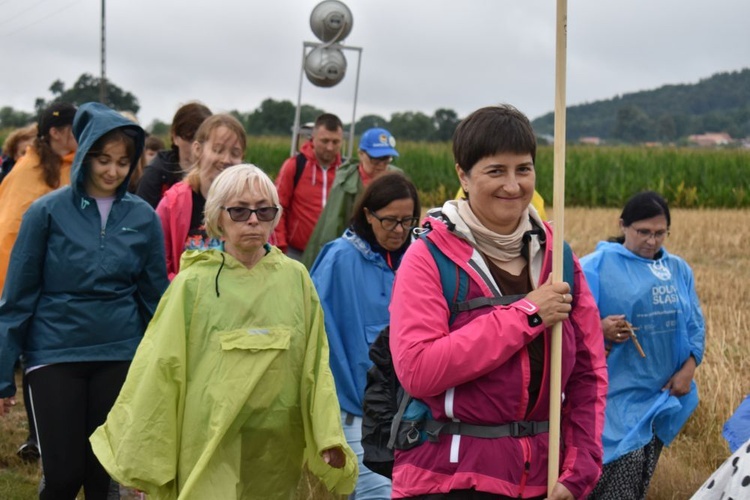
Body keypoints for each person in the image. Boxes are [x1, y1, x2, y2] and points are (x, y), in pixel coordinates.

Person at [90, 164, 358, 499]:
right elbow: (161, 367)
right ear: (218, 217)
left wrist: (326, 434)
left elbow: (315, 365)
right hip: (208, 440)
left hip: (276, 446)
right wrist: (143, 455)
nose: (253, 220)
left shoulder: (296, 279)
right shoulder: (193, 284)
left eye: (264, 210)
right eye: (239, 210)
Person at [387, 105, 608, 499]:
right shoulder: (428, 257)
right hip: (451, 480)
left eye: (523, 169)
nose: (513, 185)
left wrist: (579, 470)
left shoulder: (559, 258)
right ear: (463, 176)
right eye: (496, 171)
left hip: (545, 478)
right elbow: (418, 369)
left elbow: (588, 374)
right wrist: (527, 314)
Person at [0, 102, 169, 499]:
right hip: (55, 352)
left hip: (118, 352)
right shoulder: (46, 212)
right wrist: (3, 375)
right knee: (63, 475)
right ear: (85, 154)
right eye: (103, 159)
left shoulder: (144, 218)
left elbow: (154, 299)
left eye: (123, 162)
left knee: (103, 478)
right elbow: (17, 297)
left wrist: (170, 363)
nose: (113, 171)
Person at [581, 191, 705, 500]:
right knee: (617, 462)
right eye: (643, 232)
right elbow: (568, 323)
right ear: (623, 225)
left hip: (662, 395)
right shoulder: (596, 265)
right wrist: (600, 328)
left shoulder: (678, 270)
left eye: (660, 233)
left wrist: (689, 367)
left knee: (642, 466)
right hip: (614, 394)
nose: (652, 241)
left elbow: (695, 326)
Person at [311, 172, 421, 499]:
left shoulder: (419, 261)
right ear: (368, 216)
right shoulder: (338, 259)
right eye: (390, 221)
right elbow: (319, 340)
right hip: (355, 412)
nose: (399, 230)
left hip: (410, 413)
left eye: (408, 221)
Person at [155, 114, 246, 279]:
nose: (226, 160)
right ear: (198, 150)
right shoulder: (172, 204)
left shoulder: (250, 207)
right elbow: (157, 266)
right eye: (218, 150)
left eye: (235, 153)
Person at [0, 102, 77, 292]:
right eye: (75, 127)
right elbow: (10, 230)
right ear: (55, 133)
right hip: (30, 278)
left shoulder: (74, 164)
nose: (81, 131)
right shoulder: (28, 170)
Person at [302, 127, 402, 268]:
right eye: (375, 160)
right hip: (350, 257)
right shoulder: (345, 181)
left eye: (386, 160)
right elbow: (331, 228)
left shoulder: (397, 179)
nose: (381, 165)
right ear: (361, 154)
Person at [273, 113, 345, 259]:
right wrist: (280, 246)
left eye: (335, 142)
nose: (330, 147)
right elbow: (277, 206)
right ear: (313, 138)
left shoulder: (346, 171)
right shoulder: (294, 165)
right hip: (296, 252)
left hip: (333, 255)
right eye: (324, 141)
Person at [136, 101, 212, 208]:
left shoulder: (221, 174)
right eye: (190, 139)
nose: (196, 147)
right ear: (175, 137)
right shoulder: (155, 174)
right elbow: (142, 218)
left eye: (203, 141)